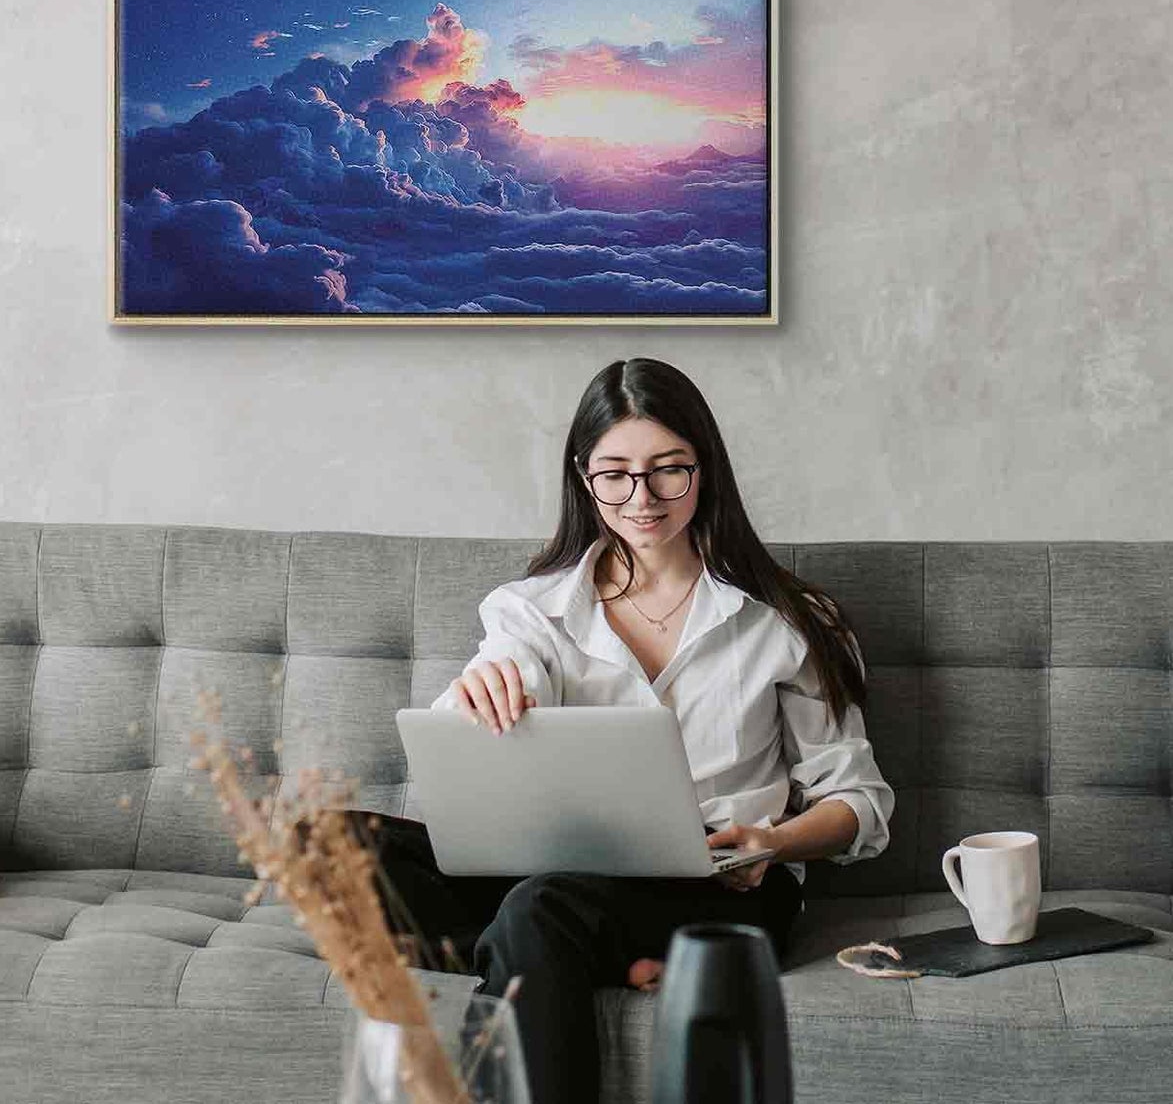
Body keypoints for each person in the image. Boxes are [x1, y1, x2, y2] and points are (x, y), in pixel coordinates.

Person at [346, 356, 894, 1104]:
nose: (641, 498)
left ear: (705, 470)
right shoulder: (530, 609)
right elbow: (504, 677)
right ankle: (592, 953)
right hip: (559, 873)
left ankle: (556, 948)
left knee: (538, 910)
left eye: (668, 469)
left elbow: (857, 801)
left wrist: (773, 840)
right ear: (583, 476)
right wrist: (480, 691)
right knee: (335, 848)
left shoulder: (788, 620)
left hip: (720, 884)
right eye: (615, 473)